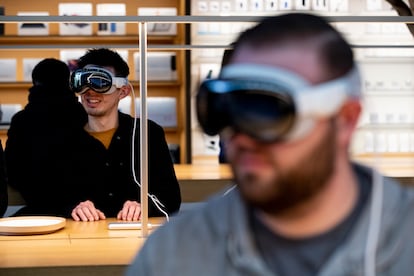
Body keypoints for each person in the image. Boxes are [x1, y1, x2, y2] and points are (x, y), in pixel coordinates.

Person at [127, 13, 414, 275]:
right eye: (227, 109)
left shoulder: (404, 244)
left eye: (269, 111)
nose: (242, 136)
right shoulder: (172, 256)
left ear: (345, 119)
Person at [69, 48, 181, 221]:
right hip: (80, 239)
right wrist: (73, 207)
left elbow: (171, 199)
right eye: (82, 82)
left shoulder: (148, 134)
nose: (90, 91)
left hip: (135, 238)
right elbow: (48, 197)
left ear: (123, 91)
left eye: (100, 82)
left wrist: (146, 206)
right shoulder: (66, 138)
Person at [5, 58, 88, 217]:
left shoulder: (21, 120)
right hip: (82, 211)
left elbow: (12, 169)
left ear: (35, 82)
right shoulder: (82, 114)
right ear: (67, 81)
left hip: (35, 208)